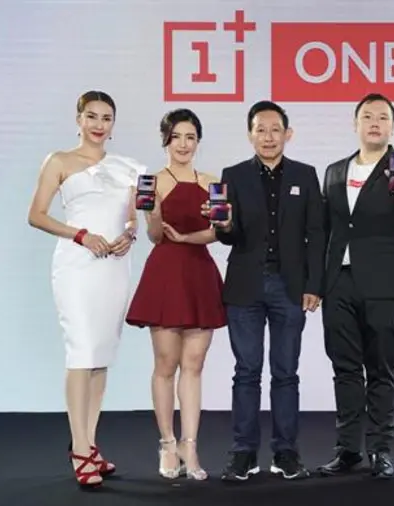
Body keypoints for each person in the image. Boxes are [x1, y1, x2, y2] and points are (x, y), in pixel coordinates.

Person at [27, 90, 145, 489]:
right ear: (78, 119)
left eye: (106, 118)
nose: (99, 124)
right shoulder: (59, 161)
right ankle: (79, 449)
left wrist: (130, 234)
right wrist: (80, 235)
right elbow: (36, 215)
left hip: (114, 266)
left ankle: (90, 444)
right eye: (91, 116)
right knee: (81, 352)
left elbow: (133, 217)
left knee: (100, 356)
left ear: (113, 124)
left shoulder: (127, 167)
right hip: (77, 266)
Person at [208, 101, 324, 482]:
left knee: (286, 373)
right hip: (246, 285)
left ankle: (285, 452)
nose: (268, 137)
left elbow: (316, 233)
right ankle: (243, 453)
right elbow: (229, 236)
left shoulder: (305, 175)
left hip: (290, 287)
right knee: (246, 372)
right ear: (250, 135)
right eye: (261, 129)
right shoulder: (234, 175)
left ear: (288, 134)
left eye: (275, 129)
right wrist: (224, 225)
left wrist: (314, 284)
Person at [317, 93, 394, 479]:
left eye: (382, 117)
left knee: (381, 368)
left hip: (384, 283)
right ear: (356, 124)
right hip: (338, 282)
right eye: (367, 116)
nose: (375, 123)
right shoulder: (334, 171)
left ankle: (380, 449)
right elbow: (326, 229)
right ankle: (347, 449)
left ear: (392, 127)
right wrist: (317, 283)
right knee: (344, 368)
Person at [126, 108, 227, 481]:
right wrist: (154, 214)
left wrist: (190, 236)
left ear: (198, 141)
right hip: (166, 273)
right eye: (177, 137)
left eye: (190, 137)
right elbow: (154, 236)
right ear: (165, 140)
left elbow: (218, 231)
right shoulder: (150, 182)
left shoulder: (214, 182)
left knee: (195, 364)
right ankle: (167, 443)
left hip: (199, 271)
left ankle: (190, 444)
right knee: (166, 364)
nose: (184, 144)